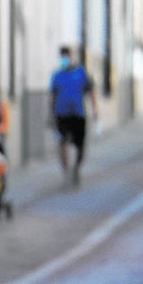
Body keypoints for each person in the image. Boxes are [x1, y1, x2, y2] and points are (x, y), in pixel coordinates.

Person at [49, 46, 98, 185]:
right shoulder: (57, 75)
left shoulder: (81, 73)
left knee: (80, 146)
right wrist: (50, 114)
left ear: (71, 56)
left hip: (78, 114)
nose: (64, 59)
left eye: (67, 56)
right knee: (62, 142)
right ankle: (66, 172)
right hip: (62, 114)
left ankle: (76, 168)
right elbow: (52, 95)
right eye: (62, 56)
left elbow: (90, 91)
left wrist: (95, 111)